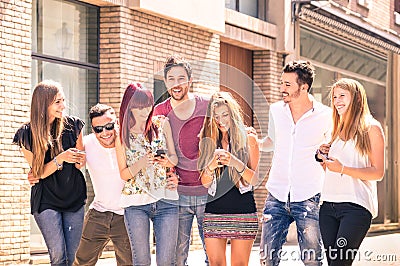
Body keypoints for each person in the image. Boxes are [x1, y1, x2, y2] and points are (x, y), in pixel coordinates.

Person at [258, 61, 332, 266]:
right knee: (266, 258)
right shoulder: (276, 110)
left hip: (309, 195)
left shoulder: (325, 115)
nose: (282, 88)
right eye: (282, 83)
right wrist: (253, 142)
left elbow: (332, 148)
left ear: (304, 87)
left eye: (288, 84)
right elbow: (271, 142)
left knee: (312, 260)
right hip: (276, 194)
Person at [13, 80, 86, 266]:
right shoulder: (26, 134)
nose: (63, 106)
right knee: (58, 256)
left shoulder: (74, 126)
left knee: (71, 258)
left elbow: (80, 164)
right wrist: (60, 158)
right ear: (43, 104)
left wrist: (80, 159)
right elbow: (38, 173)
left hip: (74, 196)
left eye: (63, 100)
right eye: (57, 102)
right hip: (46, 199)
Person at [316, 78, 385, 266]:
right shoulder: (334, 131)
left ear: (356, 98)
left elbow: (378, 172)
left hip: (356, 206)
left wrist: (343, 169)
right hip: (328, 205)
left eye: (342, 96)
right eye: (334, 97)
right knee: (334, 263)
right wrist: (323, 158)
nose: (337, 101)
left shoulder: (371, 128)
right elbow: (331, 168)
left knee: (340, 263)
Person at [154, 55, 210, 265]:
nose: (176, 84)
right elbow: (156, 151)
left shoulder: (207, 106)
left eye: (181, 78)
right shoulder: (159, 112)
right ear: (165, 81)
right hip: (175, 196)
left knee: (213, 257)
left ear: (190, 80)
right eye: (171, 79)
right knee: (177, 258)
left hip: (208, 192)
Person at [116, 83, 180, 266]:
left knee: (166, 261)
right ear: (129, 107)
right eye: (139, 107)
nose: (145, 111)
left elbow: (174, 158)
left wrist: (166, 161)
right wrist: (141, 163)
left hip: (166, 200)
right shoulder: (121, 134)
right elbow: (124, 174)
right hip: (136, 203)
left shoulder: (162, 123)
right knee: (141, 260)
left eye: (148, 105)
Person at [198, 92, 260, 266]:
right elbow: (205, 183)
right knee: (216, 264)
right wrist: (210, 166)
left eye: (225, 115)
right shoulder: (207, 141)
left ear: (233, 114)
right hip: (214, 211)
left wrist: (234, 162)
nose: (221, 120)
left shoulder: (249, 139)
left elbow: (254, 179)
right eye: (216, 116)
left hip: (243, 211)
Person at [73, 104, 132, 266]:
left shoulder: (129, 143)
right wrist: (36, 172)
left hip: (127, 216)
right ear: (93, 130)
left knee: (130, 263)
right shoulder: (87, 144)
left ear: (117, 124)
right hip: (98, 213)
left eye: (109, 126)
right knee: (80, 261)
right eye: (98, 129)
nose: (104, 133)